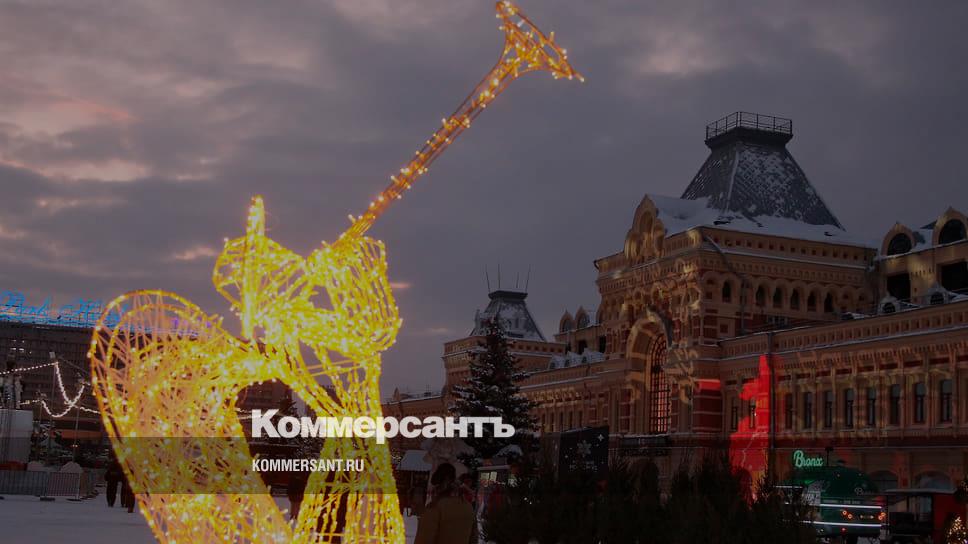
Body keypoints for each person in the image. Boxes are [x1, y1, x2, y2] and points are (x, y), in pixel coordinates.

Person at [414, 463, 477, 544]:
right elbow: (473, 539)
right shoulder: (468, 507)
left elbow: (423, 540)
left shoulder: (434, 508)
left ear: (438, 485)